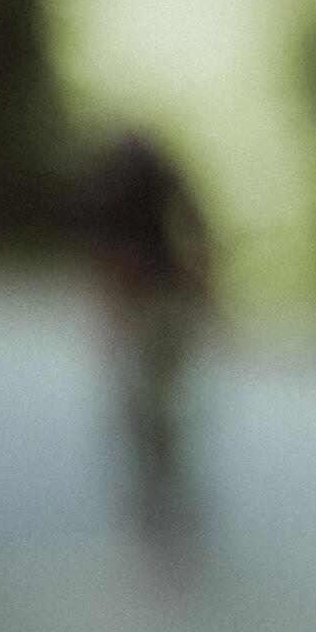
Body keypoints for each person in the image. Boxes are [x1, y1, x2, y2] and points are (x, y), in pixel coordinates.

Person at [79, 128, 212, 535]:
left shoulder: (114, 189)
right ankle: (161, 485)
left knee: (148, 406)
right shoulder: (145, 184)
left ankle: (159, 487)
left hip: (152, 304)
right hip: (153, 303)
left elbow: (102, 257)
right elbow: (197, 235)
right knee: (154, 405)